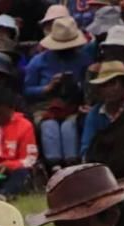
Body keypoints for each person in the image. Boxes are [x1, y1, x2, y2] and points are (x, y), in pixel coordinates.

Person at [24, 17, 93, 170]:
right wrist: (46, 88)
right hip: (45, 107)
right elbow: (26, 90)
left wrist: (77, 87)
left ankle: (72, 164)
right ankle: (54, 166)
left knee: (69, 127)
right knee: (50, 126)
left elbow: (90, 88)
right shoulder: (38, 61)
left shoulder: (84, 60)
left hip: (73, 106)